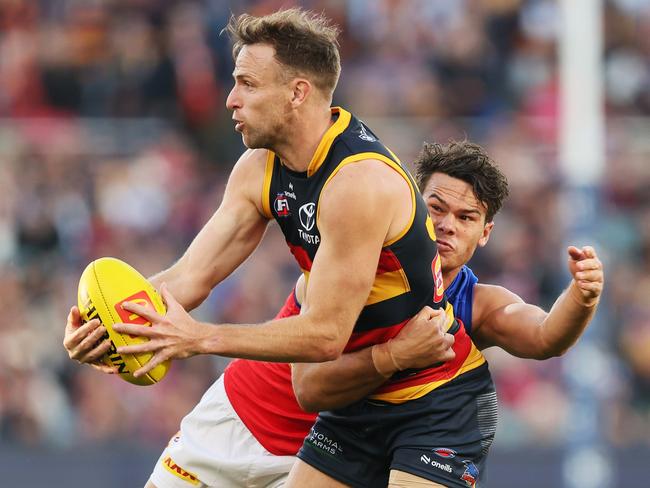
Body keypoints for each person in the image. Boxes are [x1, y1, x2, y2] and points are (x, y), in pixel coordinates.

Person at [64, 8, 484, 487]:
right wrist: (110, 323)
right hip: (281, 389)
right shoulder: (258, 166)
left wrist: (199, 338)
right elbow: (188, 280)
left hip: (376, 403)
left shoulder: (359, 183)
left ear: (297, 93)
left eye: (247, 83)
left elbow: (325, 334)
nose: (230, 100)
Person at [65, 138, 604, 487]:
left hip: (331, 453)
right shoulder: (353, 247)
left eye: (466, 218)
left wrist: (579, 299)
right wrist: (112, 323)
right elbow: (309, 379)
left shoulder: (473, 305)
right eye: (435, 208)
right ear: (410, 202)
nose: (445, 226)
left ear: (485, 234)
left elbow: (542, 335)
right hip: (240, 422)